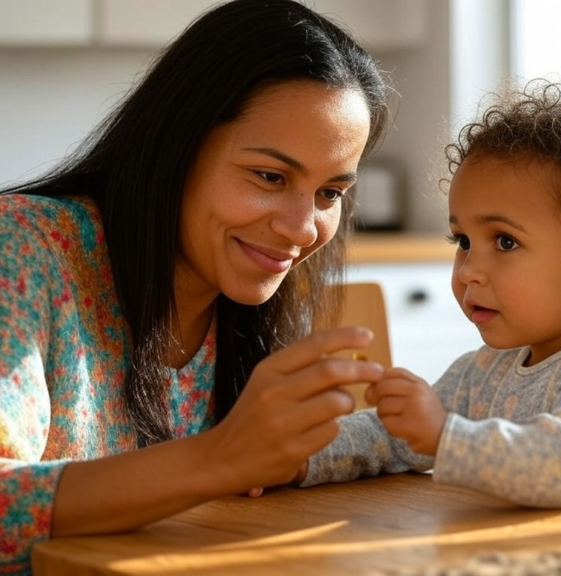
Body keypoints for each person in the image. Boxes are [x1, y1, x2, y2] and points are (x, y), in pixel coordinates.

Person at [0, 0, 392, 571]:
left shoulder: (247, 300)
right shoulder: (23, 244)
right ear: (176, 144)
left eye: (329, 193)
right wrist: (219, 458)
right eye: (269, 176)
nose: (303, 228)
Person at [298, 80, 561, 508]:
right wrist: (298, 460)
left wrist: (444, 434)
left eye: (504, 242)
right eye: (463, 241)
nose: (469, 272)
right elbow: (392, 437)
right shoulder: (480, 372)